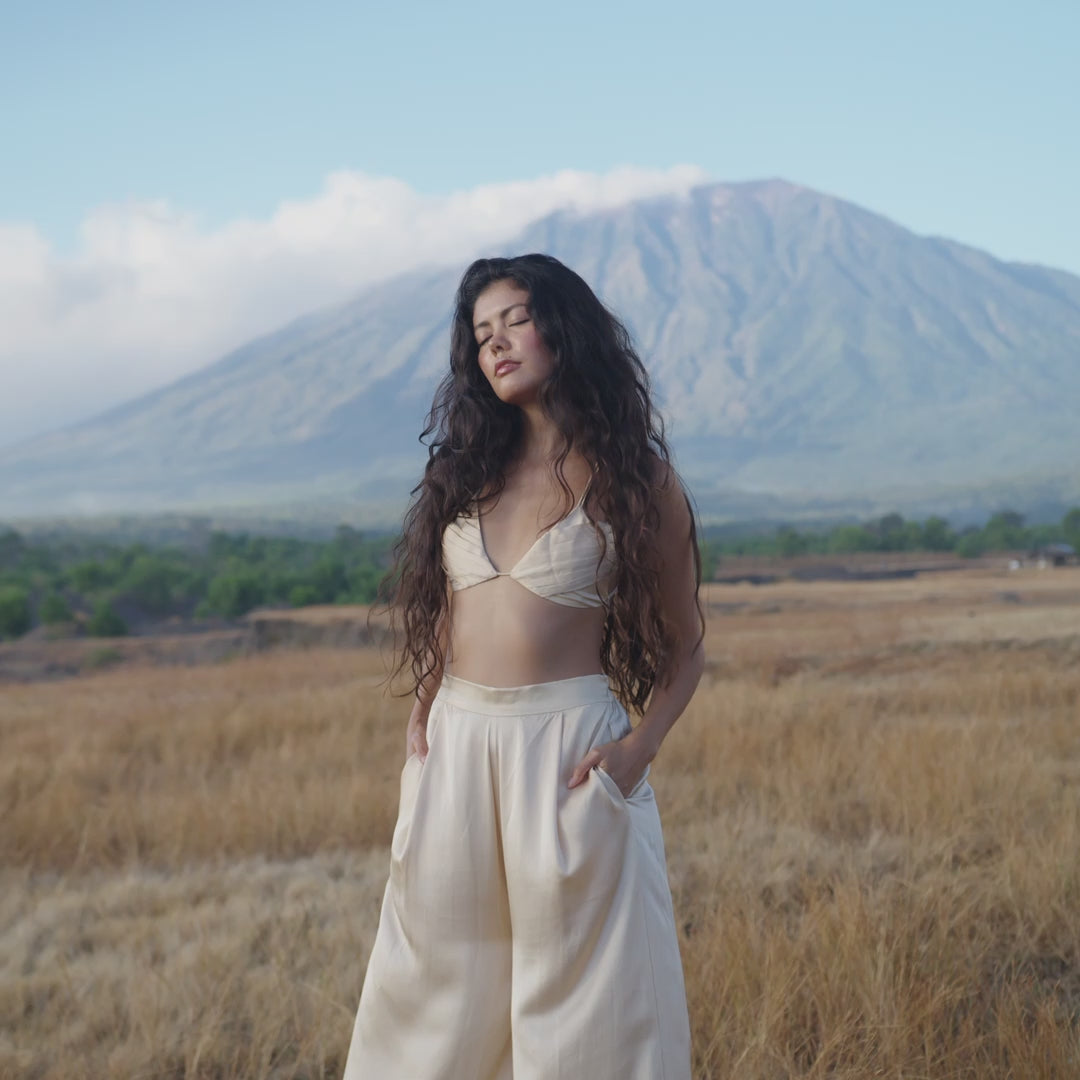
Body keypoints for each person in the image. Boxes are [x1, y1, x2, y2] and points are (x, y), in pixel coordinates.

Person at [342, 253, 705, 1080]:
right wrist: (422, 715)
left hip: (573, 758)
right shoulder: (464, 475)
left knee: (590, 1005)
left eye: (515, 321)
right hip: (457, 750)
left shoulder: (640, 481)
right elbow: (444, 615)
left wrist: (634, 754)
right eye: (480, 334)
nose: (496, 344)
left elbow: (687, 646)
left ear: (563, 329)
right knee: (434, 990)